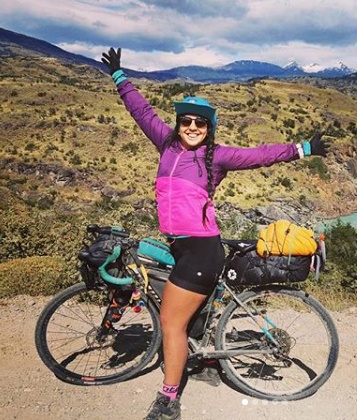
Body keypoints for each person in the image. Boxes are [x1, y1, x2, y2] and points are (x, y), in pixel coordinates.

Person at [101, 47, 330, 420]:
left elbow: (260, 155)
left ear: (209, 128)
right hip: (180, 245)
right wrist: (119, 77)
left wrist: (302, 149)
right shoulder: (166, 144)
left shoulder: (217, 157)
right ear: (178, 124)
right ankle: (203, 362)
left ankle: (169, 400)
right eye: (186, 120)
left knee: (171, 323)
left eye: (200, 123)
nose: (192, 127)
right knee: (178, 306)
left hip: (201, 250)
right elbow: (140, 111)